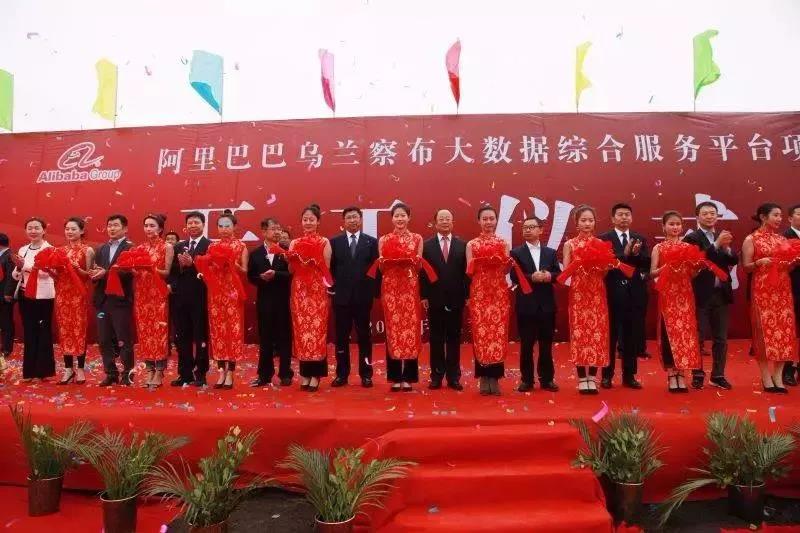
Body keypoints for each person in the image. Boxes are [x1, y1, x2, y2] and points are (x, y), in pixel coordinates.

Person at [742, 203, 799, 394]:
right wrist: (759, 262)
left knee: (784, 333)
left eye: (780, 215)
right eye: (775, 215)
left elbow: (788, 265)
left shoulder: (782, 239)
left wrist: (793, 262)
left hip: (783, 290)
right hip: (762, 291)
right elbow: (746, 267)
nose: (779, 219)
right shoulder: (752, 239)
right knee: (764, 334)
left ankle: (778, 376)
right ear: (763, 217)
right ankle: (766, 377)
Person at [561, 205, 616, 395]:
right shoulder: (570, 244)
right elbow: (566, 271)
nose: (587, 223)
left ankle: (592, 376)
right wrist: (581, 262)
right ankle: (581, 377)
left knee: (596, 334)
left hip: (597, 294)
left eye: (590, 220)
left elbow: (605, 272)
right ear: (576, 223)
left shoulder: (601, 243)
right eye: (583, 220)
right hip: (578, 294)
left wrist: (601, 264)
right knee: (580, 334)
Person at [684, 201, 738, 390]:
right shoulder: (692, 238)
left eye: (712, 213)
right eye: (705, 213)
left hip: (721, 294)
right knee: (698, 337)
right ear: (697, 217)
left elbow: (734, 260)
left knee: (721, 338)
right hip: (700, 293)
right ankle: (697, 374)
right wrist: (716, 245)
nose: (709, 216)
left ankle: (718, 375)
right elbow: (697, 260)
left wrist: (727, 248)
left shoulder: (721, 235)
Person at [650, 211, 706, 392]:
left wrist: (696, 267)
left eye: (678, 224)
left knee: (685, 335)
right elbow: (652, 272)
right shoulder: (659, 248)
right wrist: (666, 267)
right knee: (669, 334)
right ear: (663, 227)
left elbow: (692, 274)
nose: (675, 227)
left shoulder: (688, 247)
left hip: (685, 295)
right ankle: (671, 374)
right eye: (671, 224)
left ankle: (681, 373)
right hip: (668, 296)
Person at [377, 203, 428, 392]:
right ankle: (395, 376)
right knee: (393, 331)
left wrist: (409, 261)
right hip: (391, 289)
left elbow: (419, 266)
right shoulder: (384, 239)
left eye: (403, 215)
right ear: (392, 218)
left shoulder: (417, 238)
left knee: (410, 330)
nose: (400, 219)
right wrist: (390, 262)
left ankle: (409, 377)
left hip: (410, 289)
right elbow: (380, 267)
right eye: (396, 215)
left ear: (409, 217)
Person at [599, 203, 649, 389]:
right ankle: (607, 375)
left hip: (634, 293)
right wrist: (625, 254)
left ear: (632, 218)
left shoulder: (639, 238)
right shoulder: (604, 239)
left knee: (631, 335)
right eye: (620, 215)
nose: (624, 218)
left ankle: (629, 375)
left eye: (627, 214)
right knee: (610, 336)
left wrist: (635, 255)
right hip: (611, 293)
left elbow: (646, 263)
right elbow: (604, 262)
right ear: (613, 218)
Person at [197, 209, 248, 389]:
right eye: (220, 226)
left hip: (233, 294)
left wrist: (232, 264)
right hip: (215, 294)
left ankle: (231, 373)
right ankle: (221, 372)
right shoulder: (212, 246)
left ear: (234, 227)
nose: (224, 229)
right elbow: (207, 268)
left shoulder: (241, 246)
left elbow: (244, 271)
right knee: (218, 331)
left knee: (232, 332)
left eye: (227, 226)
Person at [510, 216, 561, 392]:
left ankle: (547, 379)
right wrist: (532, 277)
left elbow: (558, 274)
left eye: (531, 227)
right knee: (526, 345)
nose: (527, 230)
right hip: (526, 305)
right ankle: (527, 380)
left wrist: (549, 276)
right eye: (525, 227)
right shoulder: (516, 253)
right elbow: (514, 276)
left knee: (546, 345)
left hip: (547, 305)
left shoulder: (550, 252)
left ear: (540, 230)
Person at [330, 206, 379, 388]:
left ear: (360, 220)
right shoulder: (335, 243)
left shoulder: (371, 242)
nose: (352, 220)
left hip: (362, 298)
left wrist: (373, 292)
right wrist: (333, 289)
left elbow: (376, 270)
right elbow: (330, 269)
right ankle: (342, 374)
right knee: (341, 338)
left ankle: (366, 374)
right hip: (341, 298)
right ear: (343, 221)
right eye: (349, 217)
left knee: (364, 337)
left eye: (355, 217)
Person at [467, 205, 513, 395]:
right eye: (484, 219)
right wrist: (482, 262)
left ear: (496, 220)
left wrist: (503, 262)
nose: (488, 222)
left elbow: (507, 269)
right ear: (479, 221)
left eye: (491, 218)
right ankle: (483, 377)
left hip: (499, 294)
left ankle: (495, 377)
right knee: (481, 334)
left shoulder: (504, 243)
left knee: (497, 333)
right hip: (479, 293)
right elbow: (469, 270)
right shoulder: (472, 244)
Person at [286, 204, 332, 392]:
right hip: (299, 291)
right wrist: (294, 260)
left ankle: (316, 375)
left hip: (317, 290)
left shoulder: (324, 242)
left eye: (311, 219)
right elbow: (290, 270)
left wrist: (314, 261)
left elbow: (327, 269)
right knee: (302, 331)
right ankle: (305, 373)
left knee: (317, 331)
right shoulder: (294, 243)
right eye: (305, 219)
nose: (308, 222)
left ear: (318, 221)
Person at [421, 209, 467, 391]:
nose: (445, 221)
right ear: (435, 223)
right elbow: (422, 274)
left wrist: (467, 296)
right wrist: (424, 295)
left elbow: (466, 274)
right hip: (435, 298)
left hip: (456, 299)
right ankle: (437, 376)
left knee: (454, 339)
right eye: (441, 219)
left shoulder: (463, 245)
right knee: (436, 338)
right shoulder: (426, 246)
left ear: (452, 222)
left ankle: (454, 377)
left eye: (448, 219)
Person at [248, 217, 293, 387]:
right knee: (265, 339)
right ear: (264, 232)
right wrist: (261, 278)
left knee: (284, 338)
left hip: (283, 300)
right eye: (273, 229)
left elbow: (293, 274)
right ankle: (264, 374)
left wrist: (276, 274)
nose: (277, 232)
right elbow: (251, 277)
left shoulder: (287, 251)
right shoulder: (256, 253)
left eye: (279, 229)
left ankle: (285, 373)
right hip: (264, 301)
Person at [9, 218, 55, 381]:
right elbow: (16, 275)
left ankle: (43, 372)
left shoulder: (50, 249)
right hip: (25, 295)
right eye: (29, 228)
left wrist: (25, 266)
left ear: (44, 230)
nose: (33, 231)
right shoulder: (23, 249)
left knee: (43, 331)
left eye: (36, 228)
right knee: (29, 331)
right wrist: (19, 267)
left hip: (43, 296)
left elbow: (46, 273)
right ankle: (29, 372)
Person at [90, 214, 134, 386]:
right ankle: (111, 373)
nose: (112, 228)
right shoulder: (101, 249)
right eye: (109, 225)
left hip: (120, 301)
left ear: (125, 228)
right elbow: (96, 269)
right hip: (102, 300)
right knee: (104, 339)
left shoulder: (130, 248)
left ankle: (127, 373)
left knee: (123, 339)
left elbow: (128, 272)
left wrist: (106, 273)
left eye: (116, 225)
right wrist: (94, 273)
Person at [168, 211, 211, 387]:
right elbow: (172, 272)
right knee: (182, 337)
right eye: (190, 223)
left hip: (201, 297)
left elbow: (211, 272)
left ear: (203, 224)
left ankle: (201, 373)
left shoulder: (210, 246)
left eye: (196, 222)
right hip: (180, 298)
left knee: (200, 336)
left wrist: (192, 264)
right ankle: (185, 373)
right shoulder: (179, 246)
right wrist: (173, 280)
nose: (193, 225)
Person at [131, 214, 173, 388]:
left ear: (160, 228)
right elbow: (136, 273)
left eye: (152, 226)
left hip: (158, 294)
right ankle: (149, 369)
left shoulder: (167, 247)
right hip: (142, 294)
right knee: (145, 333)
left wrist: (151, 268)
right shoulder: (139, 248)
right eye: (146, 225)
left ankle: (160, 371)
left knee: (159, 332)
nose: (148, 229)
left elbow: (167, 272)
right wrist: (132, 269)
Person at [52, 218, 93, 385]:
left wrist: (77, 268)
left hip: (78, 295)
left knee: (79, 330)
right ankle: (68, 369)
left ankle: (81, 368)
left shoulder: (87, 250)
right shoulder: (59, 251)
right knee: (65, 331)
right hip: (62, 295)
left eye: (73, 229)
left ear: (81, 231)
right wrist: (49, 271)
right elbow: (57, 276)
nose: (69, 232)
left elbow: (89, 275)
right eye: (67, 229)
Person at [782, 203, 800, 386]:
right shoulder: (784, 238)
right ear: (790, 218)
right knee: (790, 331)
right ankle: (788, 369)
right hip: (791, 289)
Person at [0, 233, 15, 370]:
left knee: (6, 321)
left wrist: (8, 293)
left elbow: (11, 277)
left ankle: (7, 347)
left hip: (5, 295)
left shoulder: (9, 256)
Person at [164, 230, 180, 355]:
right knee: (164, 320)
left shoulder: (180, 255)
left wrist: (172, 286)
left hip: (176, 292)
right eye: (167, 239)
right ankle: (166, 346)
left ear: (177, 242)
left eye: (172, 239)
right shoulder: (162, 253)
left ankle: (178, 344)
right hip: (161, 291)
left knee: (177, 320)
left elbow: (182, 275)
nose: (169, 241)